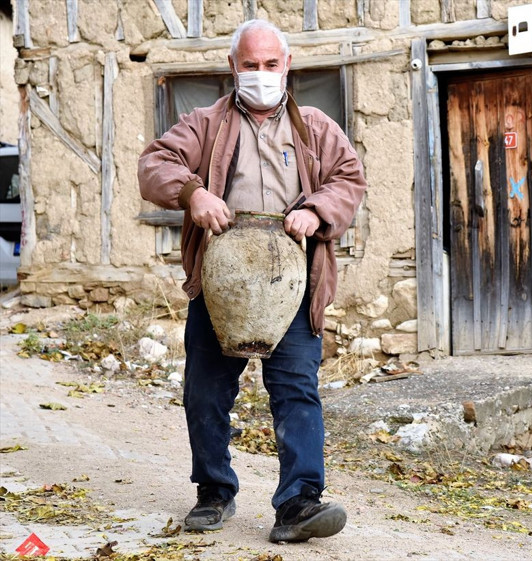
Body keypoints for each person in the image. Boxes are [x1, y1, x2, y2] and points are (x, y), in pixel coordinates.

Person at [137, 19, 366, 543]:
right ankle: (214, 492)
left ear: (286, 67)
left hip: (292, 286)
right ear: (232, 67)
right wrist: (192, 193)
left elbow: (349, 179)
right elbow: (154, 163)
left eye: (270, 65)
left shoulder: (314, 127)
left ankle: (299, 503)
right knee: (206, 391)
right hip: (222, 284)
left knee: (295, 390)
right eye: (250, 65)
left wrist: (317, 208)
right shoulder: (206, 123)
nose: (260, 75)